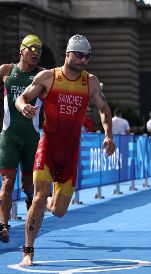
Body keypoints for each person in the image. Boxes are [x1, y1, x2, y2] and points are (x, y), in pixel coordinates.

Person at [15, 34, 116, 266]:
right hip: (47, 146)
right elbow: (22, 97)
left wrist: (109, 136)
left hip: (69, 153)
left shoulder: (90, 82)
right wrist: (24, 108)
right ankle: (28, 250)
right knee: (39, 199)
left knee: (59, 211)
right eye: (79, 55)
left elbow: (103, 109)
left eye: (87, 57)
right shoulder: (48, 77)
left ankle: (46, 199)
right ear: (68, 54)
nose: (83, 60)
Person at [0, 34, 43, 243]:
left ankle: (29, 217)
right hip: (9, 135)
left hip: (32, 138)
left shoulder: (43, 76)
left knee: (28, 186)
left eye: (39, 50)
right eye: (32, 49)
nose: (36, 53)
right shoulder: (6, 71)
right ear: (21, 51)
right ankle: (3, 227)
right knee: (7, 183)